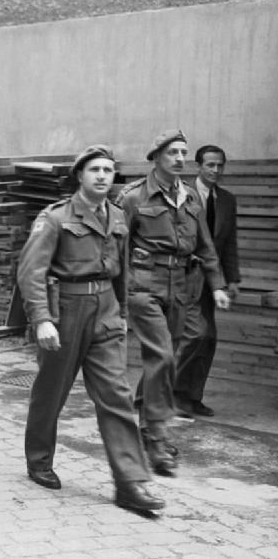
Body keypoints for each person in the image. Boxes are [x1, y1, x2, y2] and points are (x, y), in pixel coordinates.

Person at [17, 145, 165, 513]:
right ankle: (38, 459)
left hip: (106, 312)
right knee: (52, 391)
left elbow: (122, 270)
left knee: (116, 395)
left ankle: (130, 483)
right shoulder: (54, 218)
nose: (102, 176)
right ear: (80, 176)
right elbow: (31, 272)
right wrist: (42, 320)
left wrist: (123, 315)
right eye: (95, 170)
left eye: (108, 171)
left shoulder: (117, 216)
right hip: (65, 310)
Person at [116, 130, 230, 475]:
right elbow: (116, 249)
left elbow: (205, 246)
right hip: (144, 285)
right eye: (172, 152)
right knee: (162, 355)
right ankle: (156, 435)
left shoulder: (191, 197)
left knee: (168, 358)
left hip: (181, 286)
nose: (180, 158)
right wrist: (117, 302)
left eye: (183, 152)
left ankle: (147, 419)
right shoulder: (133, 197)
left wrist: (218, 285)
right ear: (156, 157)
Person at [174, 145, 240, 417]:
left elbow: (228, 244)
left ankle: (192, 396)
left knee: (208, 339)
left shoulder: (226, 200)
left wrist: (232, 278)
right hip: (182, 278)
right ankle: (168, 394)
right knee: (191, 336)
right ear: (198, 166)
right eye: (210, 165)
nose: (216, 170)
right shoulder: (182, 196)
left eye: (220, 165)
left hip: (212, 283)